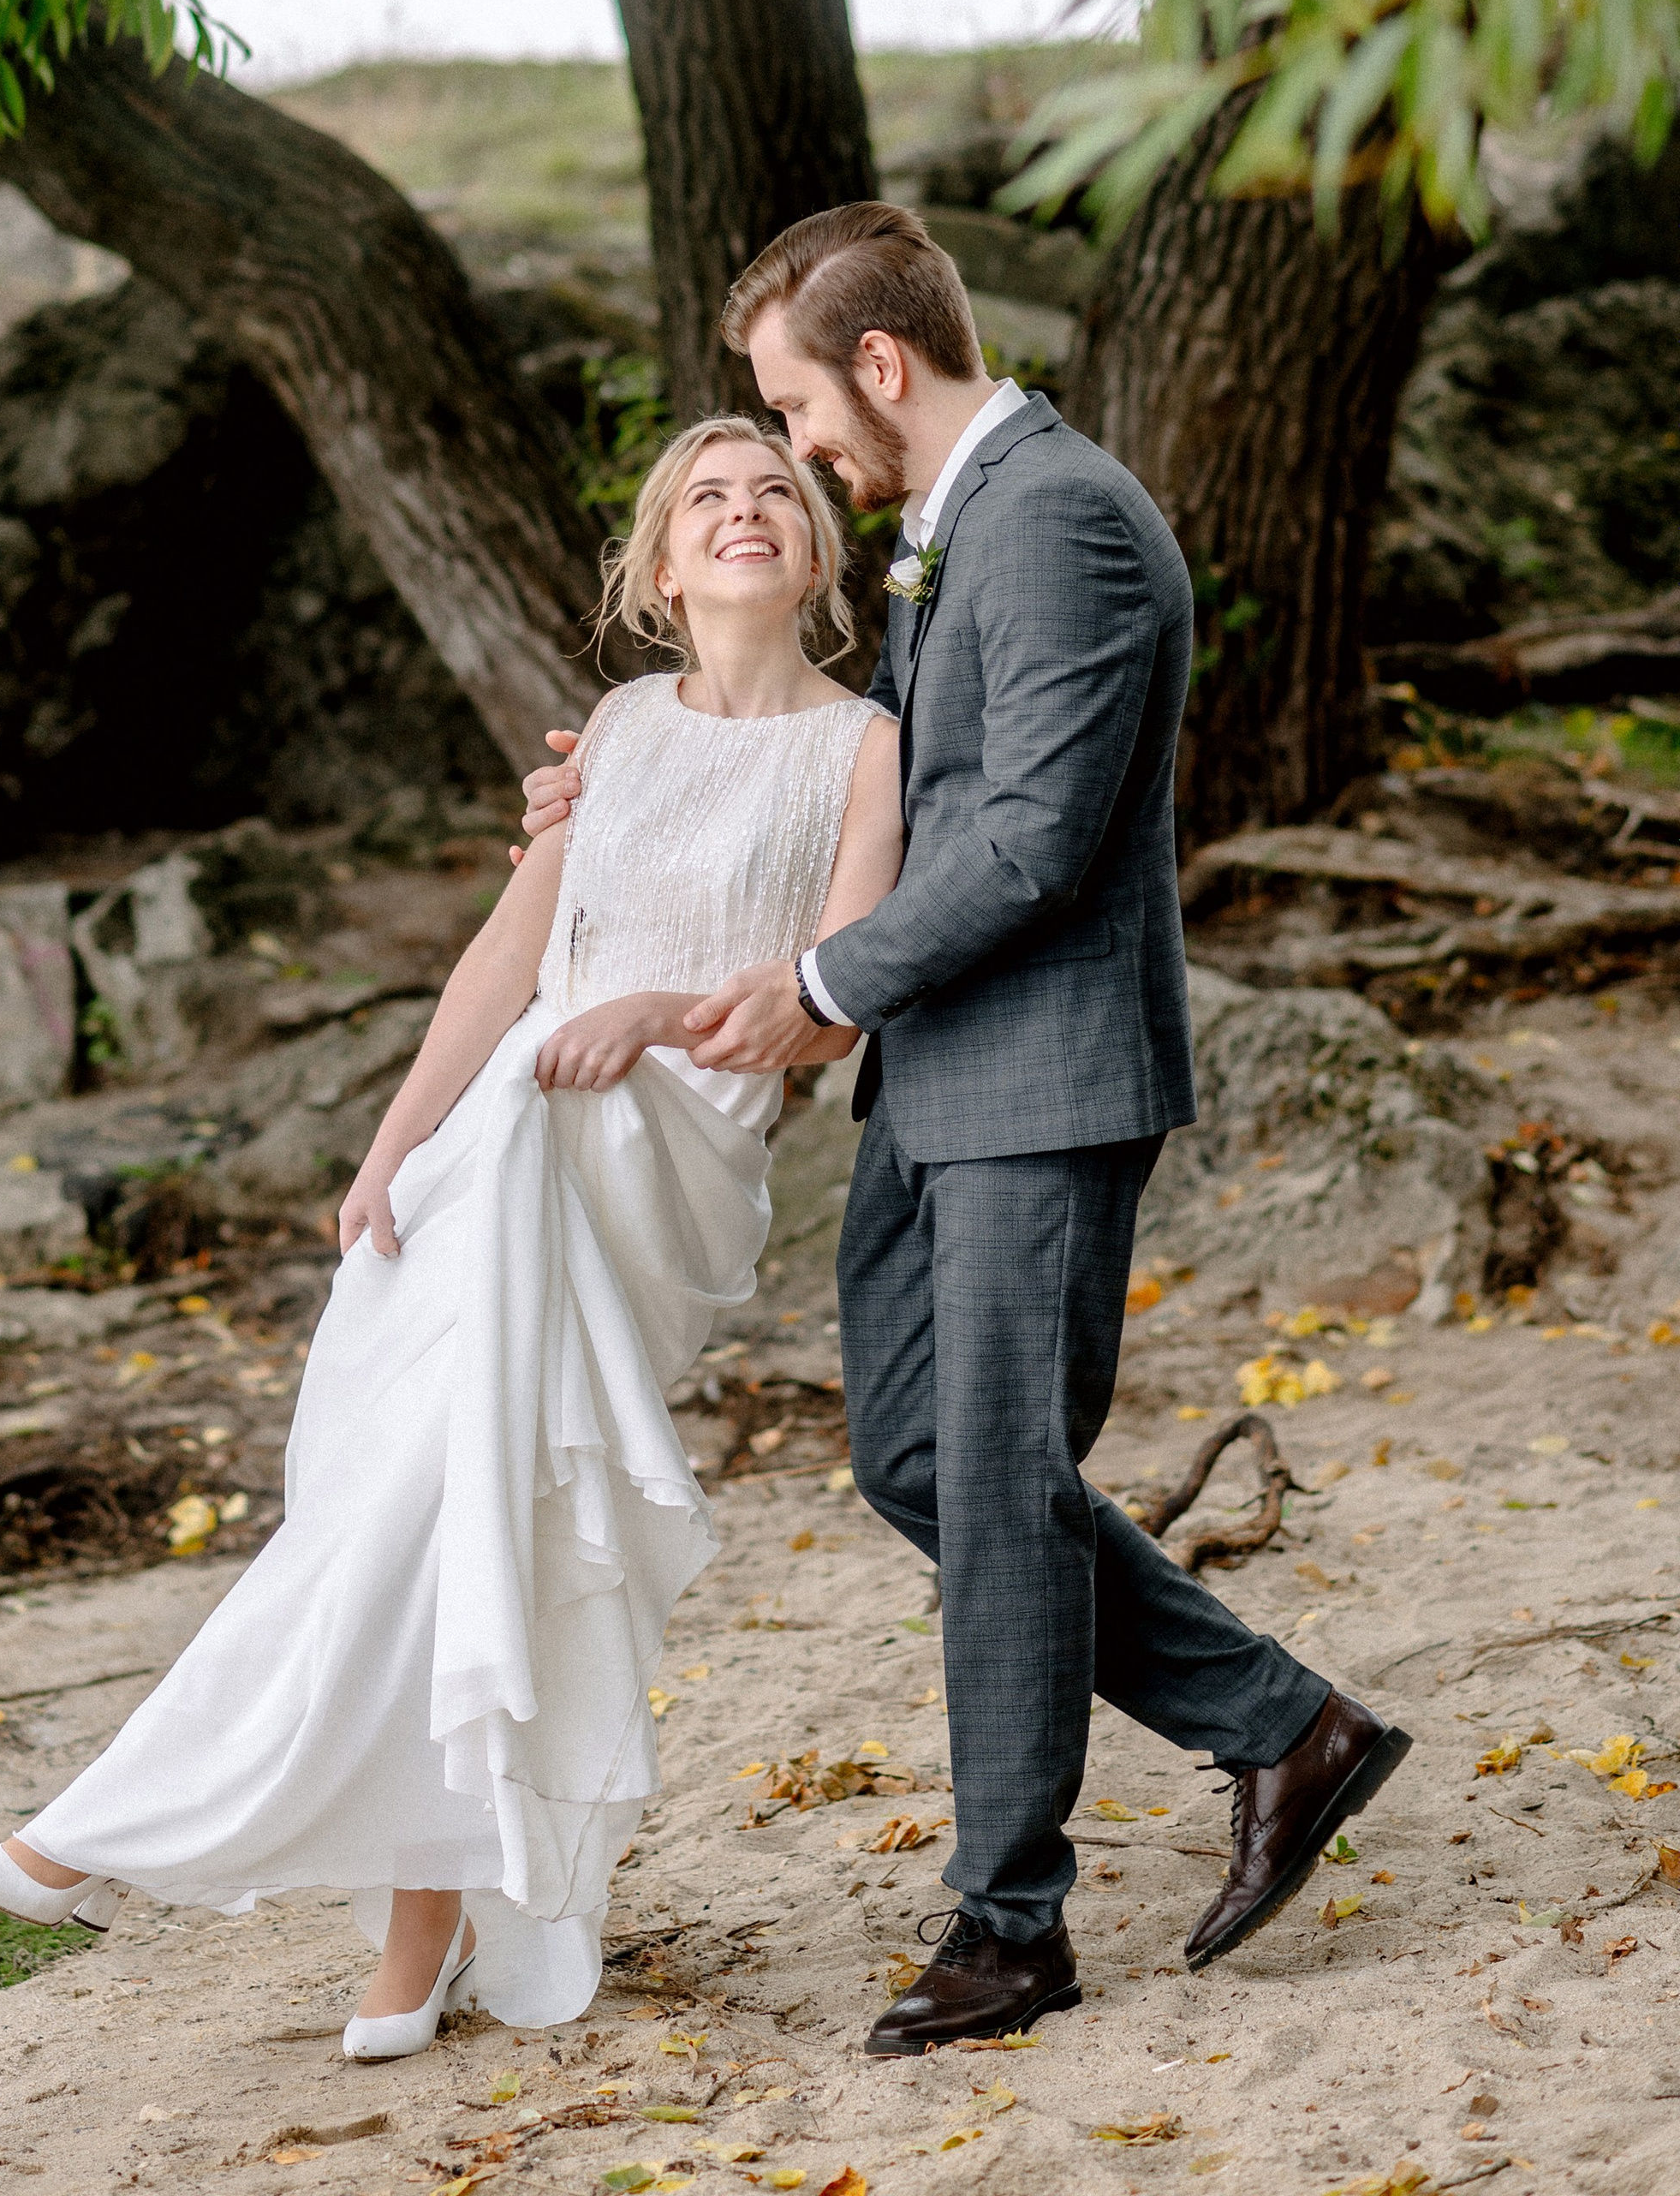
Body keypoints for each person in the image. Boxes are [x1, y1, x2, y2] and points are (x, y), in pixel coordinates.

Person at [521, 204, 1411, 2055]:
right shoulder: (960, 529)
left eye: (791, 402)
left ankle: (1009, 1923)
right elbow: (885, 780)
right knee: (918, 1460)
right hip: (935, 1075)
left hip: (1043, 1083)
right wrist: (633, 790)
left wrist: (824, 982)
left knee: (999, 1488)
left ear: (875, 362)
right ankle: (1278, 1722)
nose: (793, 450)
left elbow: (1027, 839)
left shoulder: (1064, 517)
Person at [0, 415, 903, 2056]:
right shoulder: (611, 727)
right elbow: (502, 955)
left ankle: (105, 1831)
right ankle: (419, 1928)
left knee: (471, 1513)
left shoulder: (864, 747)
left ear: (816, 551)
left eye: (774, 495)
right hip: (498, 1149)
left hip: (653, 1169)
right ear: (664, 566)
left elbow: (835, 1008)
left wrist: (663, 1012)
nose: (743, 516)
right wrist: (390, 1148)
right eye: (706, 502)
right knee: (427, 1502)